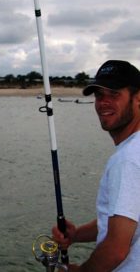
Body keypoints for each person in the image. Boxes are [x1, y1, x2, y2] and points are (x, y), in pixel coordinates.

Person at [52, 60, 140, 271]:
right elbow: (128, 217)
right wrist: (76, 235)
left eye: (114, 94)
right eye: (99, 95)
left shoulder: (128, 159)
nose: (103, 102)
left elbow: (116, 249)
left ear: (138, 98)